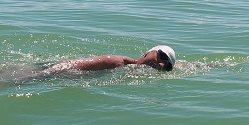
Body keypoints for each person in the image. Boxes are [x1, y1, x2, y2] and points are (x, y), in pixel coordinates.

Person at [35, 45, 176, 77]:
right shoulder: (116, 62)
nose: (161, 64)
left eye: (167, 66)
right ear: (147, 53)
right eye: (162, 57)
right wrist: (35, 76)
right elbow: (69, 65)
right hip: (46, 72)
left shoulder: (130, 68)